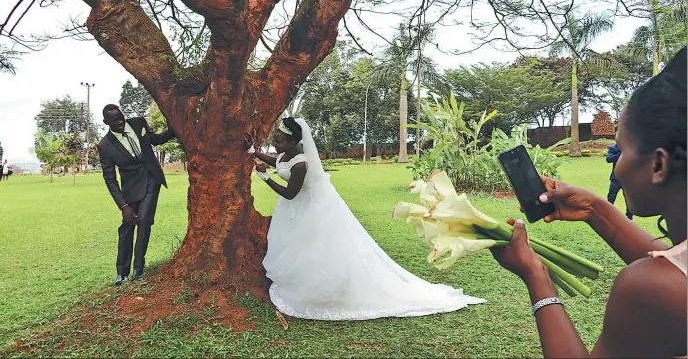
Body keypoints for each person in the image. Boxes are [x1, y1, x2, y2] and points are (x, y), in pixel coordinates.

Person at [491, 47, 686, 358]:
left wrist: (535, 274)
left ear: (658, 165)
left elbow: (672, 282)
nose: (617, 164)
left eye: (620, 149)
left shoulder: (652, 288)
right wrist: (594, 209)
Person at [245, 117, 485, 321]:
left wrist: (265, 178)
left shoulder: (302, 164)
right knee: (294, 246)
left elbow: (290, 193)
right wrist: (253, 151)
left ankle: (321, 290)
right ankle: (295, 280)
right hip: (293, 211)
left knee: (313, 247)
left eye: (278, 142)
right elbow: (277, 161)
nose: (275, 146)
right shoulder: (287, 154)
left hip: (306, 208)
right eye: (274, 141)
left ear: (293, 142)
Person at [97, 104, 176, 285]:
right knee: (127, 225)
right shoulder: (105, 146)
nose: (120, 122)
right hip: (130, 189)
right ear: (105, 122)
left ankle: (138, 268)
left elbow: (154, 140)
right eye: (114, 120)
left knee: (144, 220)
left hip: (151, 179)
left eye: (121, 117)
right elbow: (110, 179)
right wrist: (123, 206)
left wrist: (173, 130)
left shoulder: (138, 123)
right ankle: (121, 272)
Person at [605, 144, 633, 219]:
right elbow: (608, 159)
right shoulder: (613, 148)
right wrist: (620, 154)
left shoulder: (629, 148)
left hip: (626, 179)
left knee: (628, 199)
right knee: (611, 197)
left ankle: (629, 217)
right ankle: (607, 215)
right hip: (615, 179)